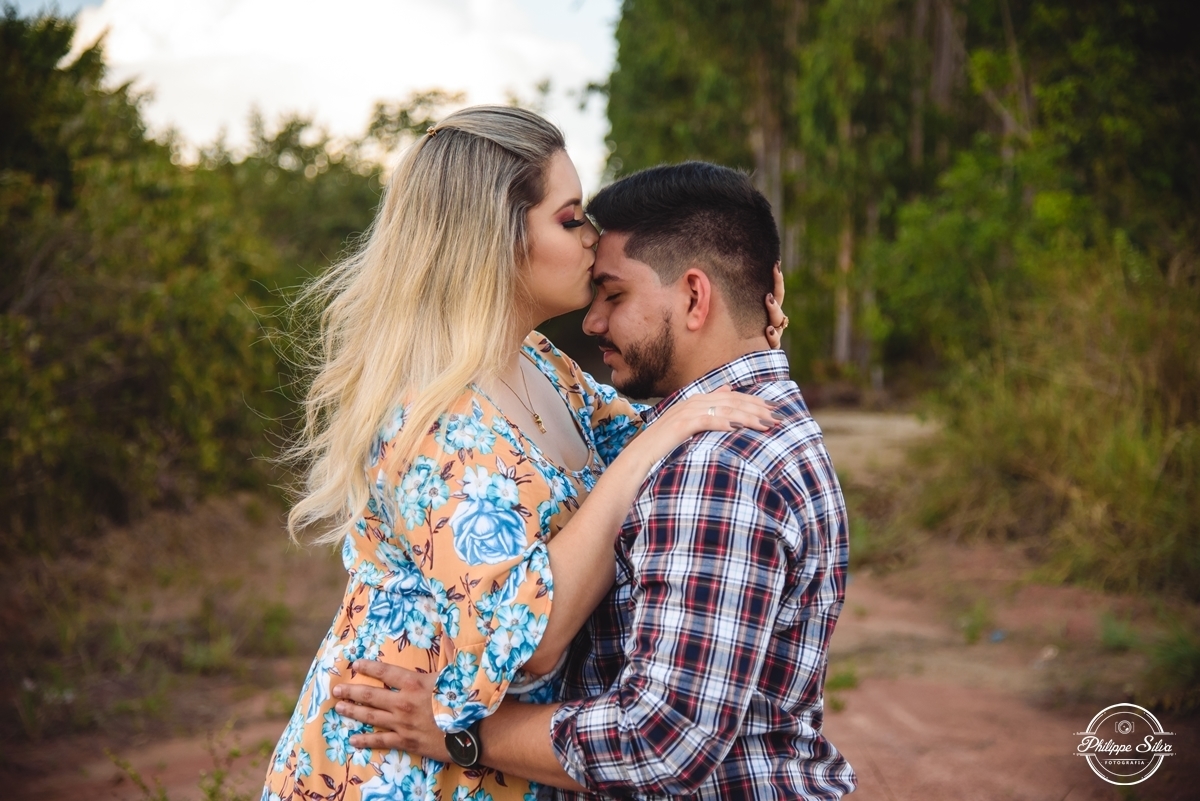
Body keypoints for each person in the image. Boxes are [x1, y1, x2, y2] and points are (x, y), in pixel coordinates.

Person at [262, 108, 786, 801]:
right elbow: (529, 643)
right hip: (397, 768)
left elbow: (679, 425)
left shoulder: (541, 364)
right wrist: (651, 446)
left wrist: (746, 332)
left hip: (491, 760)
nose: (593, 237)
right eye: (570, 219)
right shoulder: (435, 415)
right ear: (497, 239)